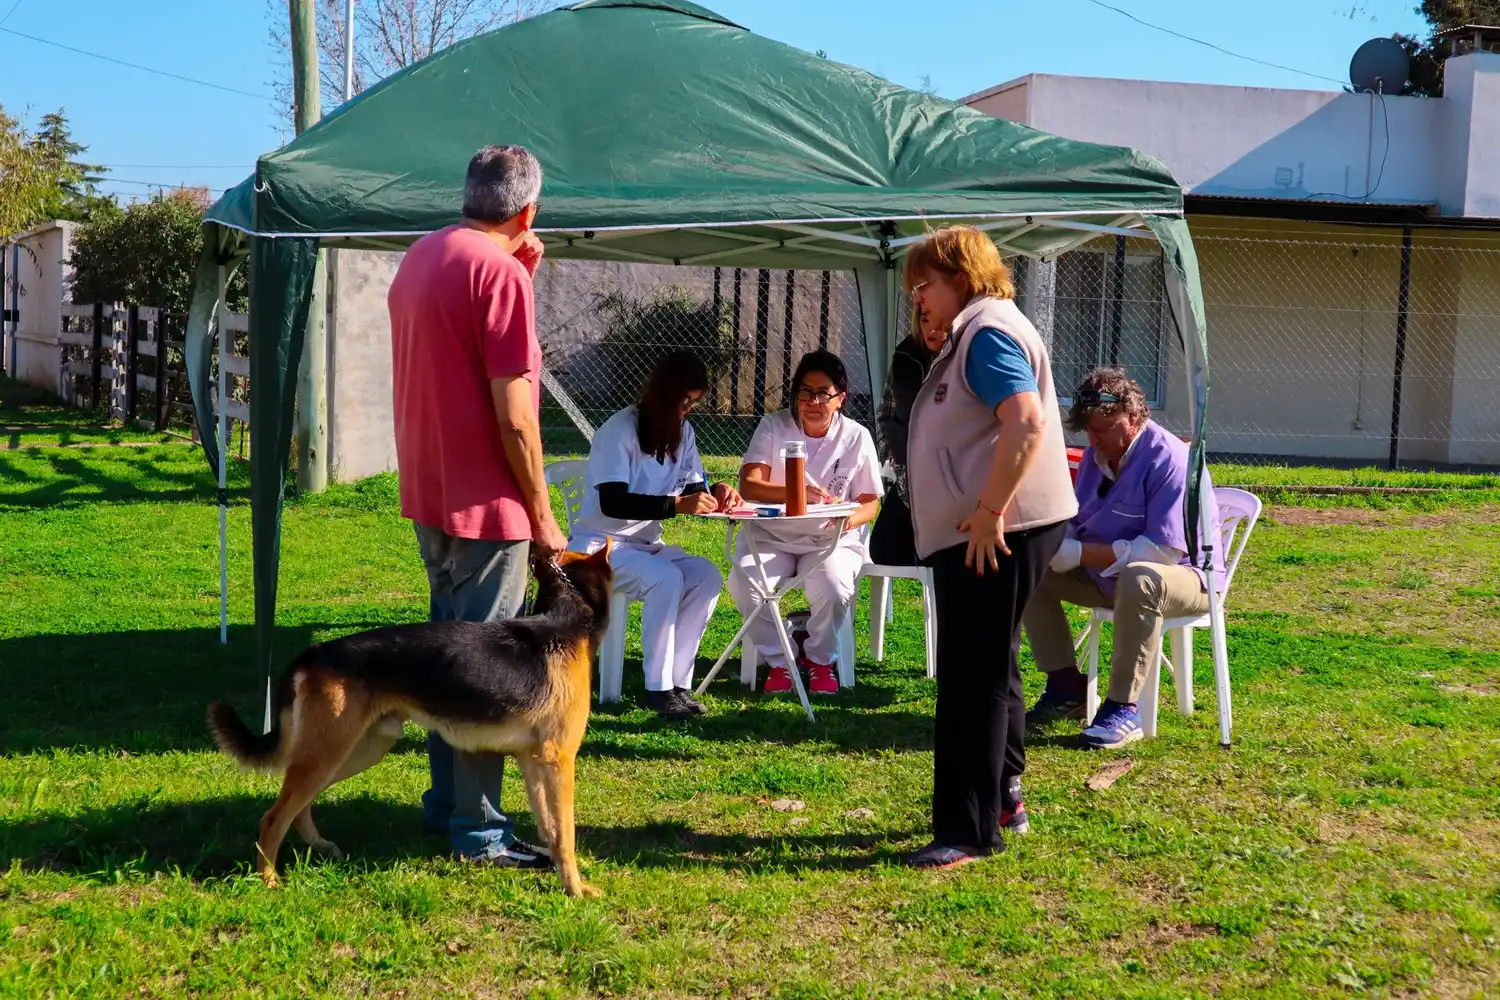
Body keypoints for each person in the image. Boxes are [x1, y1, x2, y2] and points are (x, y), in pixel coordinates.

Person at [387, 144, 568, 870]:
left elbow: (461, 351)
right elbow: (516, 417)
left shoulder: (421, 256)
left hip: (430, 492)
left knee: (445, 661)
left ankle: (447, 807)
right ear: (528, 210)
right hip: (489, 503)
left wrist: (521, 271)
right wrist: (544, 516)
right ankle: (481, 830)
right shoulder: (499, 274)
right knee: (487, 676)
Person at [901, 225, 1078, 869]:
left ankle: (967, 832)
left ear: (962, 277)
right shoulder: (978, 330)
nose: (919, 300)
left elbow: (1025, 419)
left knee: (971, 678)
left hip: (996, 530)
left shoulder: (986, 331)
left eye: (924, 285)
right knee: (992, 666)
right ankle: (1003, 799)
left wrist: (988, 511)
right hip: (1002, 527)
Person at [1023, 367, 1226, 749]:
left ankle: (1122, 708)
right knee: (1029, 566)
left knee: (1141, 577)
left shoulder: (1170, 458)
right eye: (1088, 430)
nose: (1094, 439)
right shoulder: (1095, 456)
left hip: (1188, 578)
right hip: (1112, 576)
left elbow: (1161, 553)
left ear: (1133, 416)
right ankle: (1066, 688)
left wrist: (1080, 553)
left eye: (1105, 428)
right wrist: (1059, 542)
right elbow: (1078, 518)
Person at [568, 351, 744, 720]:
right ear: (663, 392)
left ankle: (678, 683)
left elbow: (694, 486)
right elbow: (614, 502)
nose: (687, 410)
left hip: (645, 545)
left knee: (706, 575)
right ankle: (657, 689)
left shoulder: (683, 431)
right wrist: (677, 505)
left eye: (694, 402)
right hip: (601, 545)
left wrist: (720, 490)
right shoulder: (619, 430)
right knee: (666, 578)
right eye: (684, 400)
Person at [727, 350, 882, 696]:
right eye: (805, 392)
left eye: (823, 393)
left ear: (840, 398)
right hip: (771, 536)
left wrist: (846, 520)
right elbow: (749, 485)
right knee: (743, 582)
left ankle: (820, 659)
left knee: (833, 586)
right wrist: (796, 493)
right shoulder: (774, 425)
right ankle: (781, 658)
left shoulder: (857, 436)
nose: (813, 401)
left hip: (831, 540)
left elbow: (870, 504)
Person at [869, 306, 940, 566]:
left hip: (950, 486)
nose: (931, 329)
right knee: (883, 549)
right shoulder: (905, 355)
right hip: (909, 480)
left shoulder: (966, 354)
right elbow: (885, 414)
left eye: (939, 321)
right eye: (924, 319)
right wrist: (896, 460)